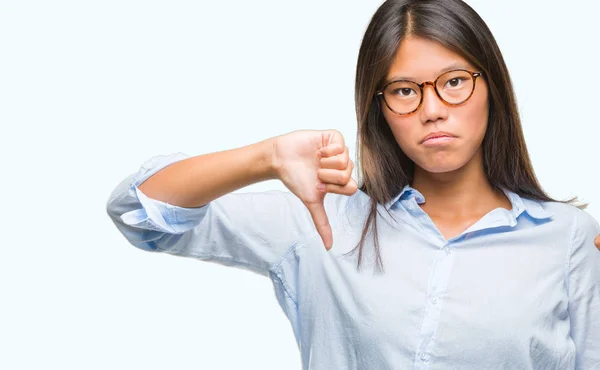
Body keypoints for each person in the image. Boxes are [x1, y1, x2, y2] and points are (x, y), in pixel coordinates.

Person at [106, 0, 600, 368]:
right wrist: (265, 156)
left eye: (454, 81)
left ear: (490, 85)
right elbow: (140, 212)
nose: (432, 110)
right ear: (379, 109)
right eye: (405, 91)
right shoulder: (324, 222)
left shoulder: (568, 237)